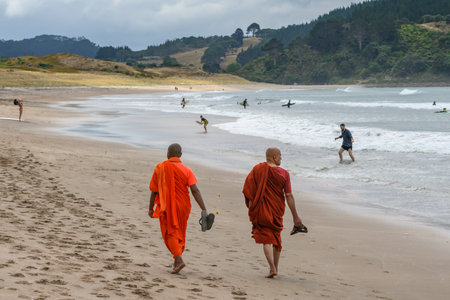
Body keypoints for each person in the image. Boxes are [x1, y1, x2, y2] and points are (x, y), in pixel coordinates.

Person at [243, 148, 305, 278]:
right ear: (275, 156)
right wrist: (295, 217)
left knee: (267, 240)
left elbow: (248, 190)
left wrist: (252, 208)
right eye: (280, 156)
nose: (281, 158)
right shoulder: (284, 174)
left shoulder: (257, 169)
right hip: (277, 210)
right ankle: (274, 267)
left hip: (261, 209)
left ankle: (272, 268)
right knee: (276, 238)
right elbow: (288, 196)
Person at [148, 143, 210, 274]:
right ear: (180, 155)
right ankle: (176, 261)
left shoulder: (160, 168)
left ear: (167, 154)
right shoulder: (187, 170)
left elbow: (154, 191)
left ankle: (179, 259)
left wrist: (150, 208)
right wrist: (204, 209)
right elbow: (195, 190)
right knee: (179, 232)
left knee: (170, 232)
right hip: (183, 206)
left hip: (166, 206)